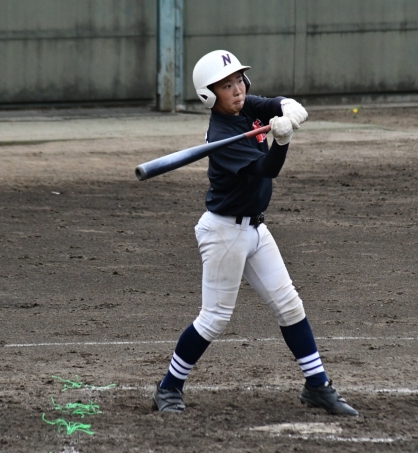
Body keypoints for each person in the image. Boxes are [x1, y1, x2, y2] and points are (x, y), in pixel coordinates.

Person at [152, 50, 358, 416]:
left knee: (289, 305)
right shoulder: (222, 136)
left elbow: (274, 103)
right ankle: (168, 388)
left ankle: (317, 385)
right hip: (224, 233)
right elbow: (267, 169)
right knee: (214, 318)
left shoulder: (246, 106)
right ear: (209, 96)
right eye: (226, 86)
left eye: (239, 81)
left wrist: (289, 109)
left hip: (256, 228)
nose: (237, 90)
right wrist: (283, 141)